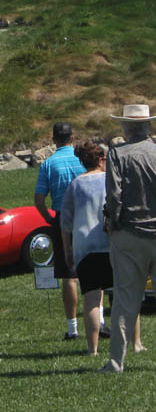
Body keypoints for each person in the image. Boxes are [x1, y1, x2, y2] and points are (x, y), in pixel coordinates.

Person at [101, 103, 156, 374]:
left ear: (125, 126)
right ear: (147, 126)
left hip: (129, 233)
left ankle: (116, 361)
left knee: (125, 300)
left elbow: (113, 194)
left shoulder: (117, 154)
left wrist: (112, 222)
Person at [60, 141, 128, 357]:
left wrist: (67, 250)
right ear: (100, 160)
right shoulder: (111, 181)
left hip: (85, 249)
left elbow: (66, 222)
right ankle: (126, 342)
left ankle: (93, 349)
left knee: (91, 300)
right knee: (120, 297)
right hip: (112, 244)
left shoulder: (75, 185)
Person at [34, 120, 84, 339]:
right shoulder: (84, 158)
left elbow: (38, 199)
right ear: (72, 138)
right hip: (87, 216)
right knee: (94, 270)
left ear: (53, 140)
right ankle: (99, 320)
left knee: (68, 276)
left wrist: (50, 219)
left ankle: (72, 328)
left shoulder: (48, 164)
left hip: (62, 218)